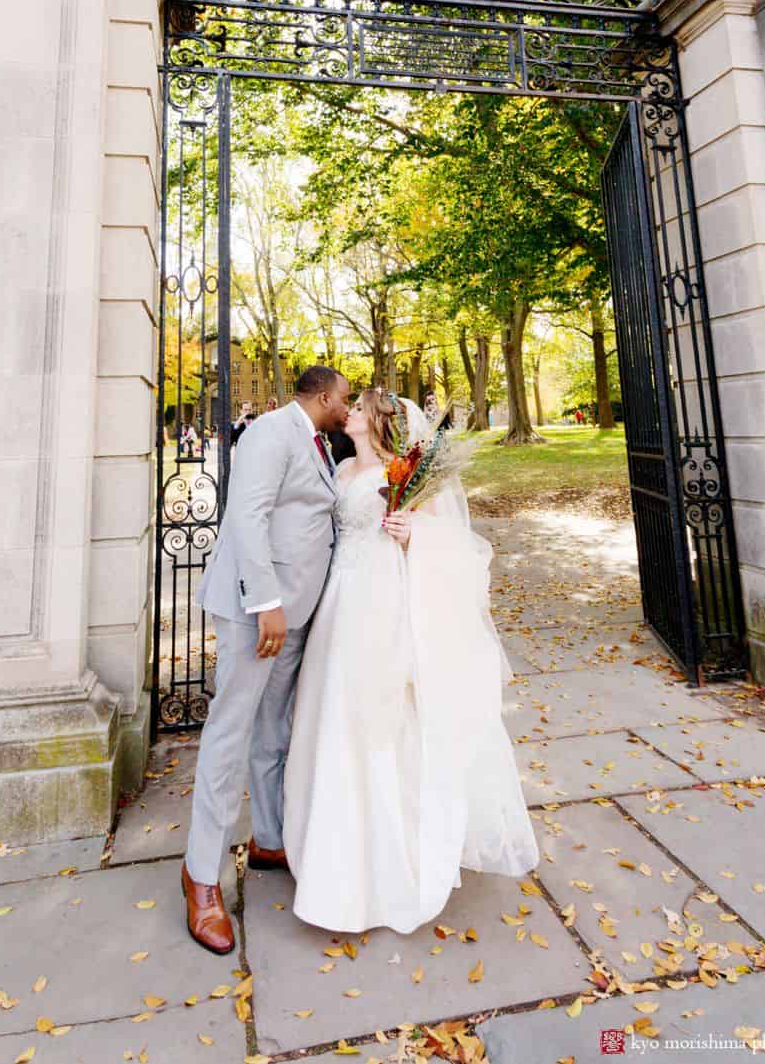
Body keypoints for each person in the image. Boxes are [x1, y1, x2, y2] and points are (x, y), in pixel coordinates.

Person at [283, 388, 539, 934]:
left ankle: (392, 857)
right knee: (334, 714)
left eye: (359, 406)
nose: (348, 410)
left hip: (378, 600)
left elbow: (452, 540)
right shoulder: (342, 463)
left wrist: (410, 534)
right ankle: (331, 847)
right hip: (337, 602)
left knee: (380, 716)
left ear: (378, 420)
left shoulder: (406, 474)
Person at [181, 365, 351, 955]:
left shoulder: (319, 444)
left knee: (275, 730)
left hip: (295, 613)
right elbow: (245, 517)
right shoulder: (271, 433)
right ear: (325, 396)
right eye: (344, 400)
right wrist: (269, 603)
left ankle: (269, 839)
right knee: (230, 735)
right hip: (259, 612)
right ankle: (202, 878)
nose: (347, 409)